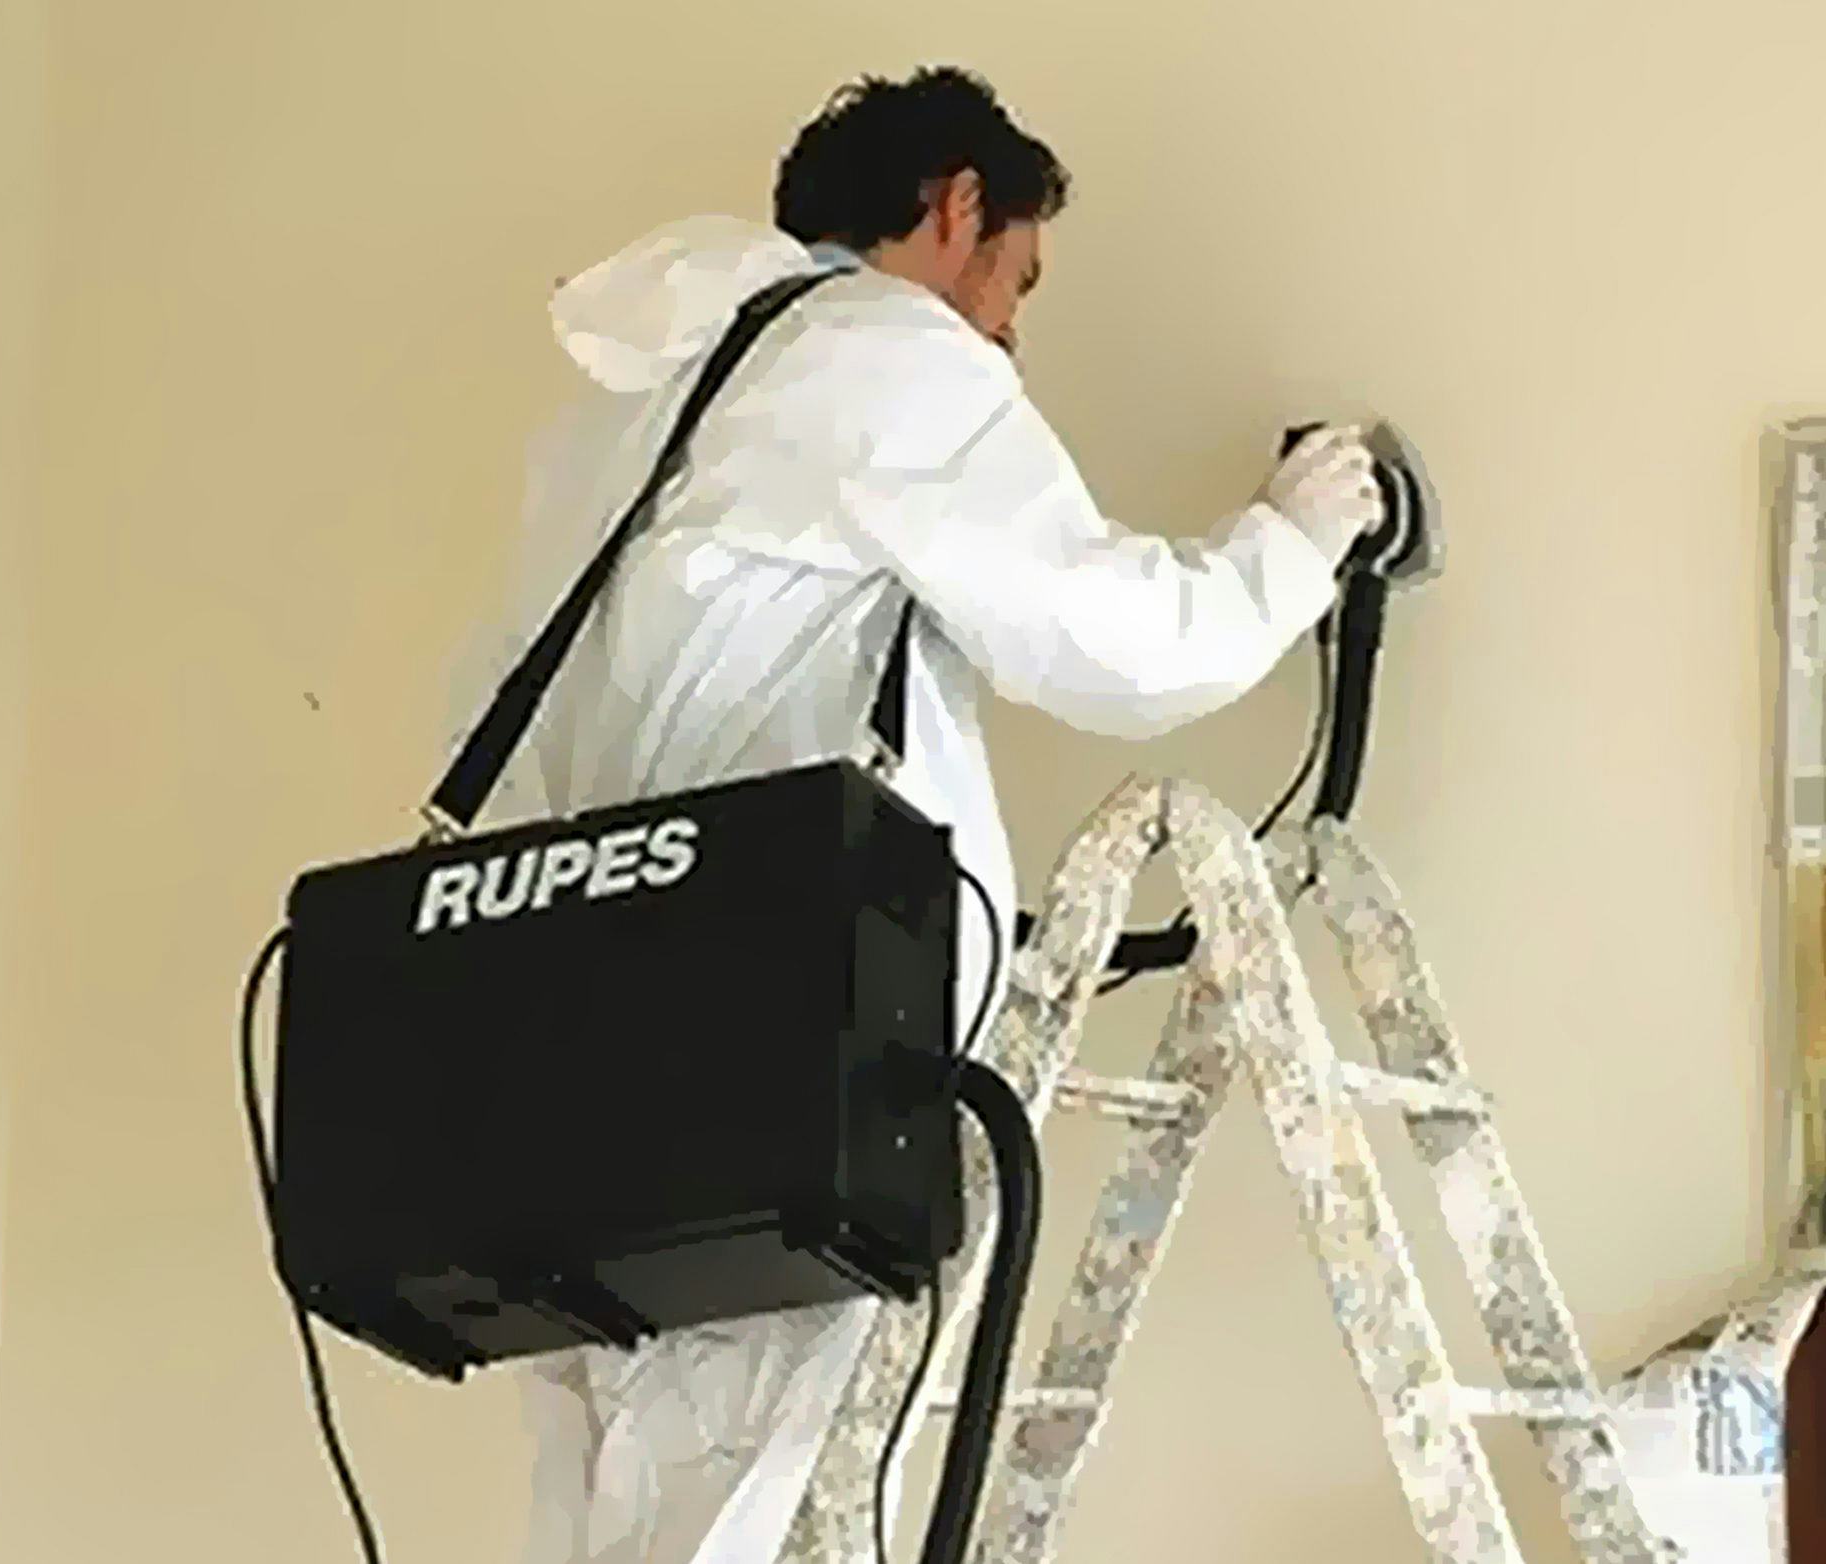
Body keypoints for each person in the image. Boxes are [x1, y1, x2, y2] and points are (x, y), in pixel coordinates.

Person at [481, 64, 1385, 1564]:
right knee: (731, 1501)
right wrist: (1296, 541)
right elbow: (1110, 633)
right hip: (763, 1016)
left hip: (565, 1020)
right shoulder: (882, 354)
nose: (1009, 331)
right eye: (1017, 279)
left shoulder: (650, 392)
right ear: (958, 206)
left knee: (609, 1494)